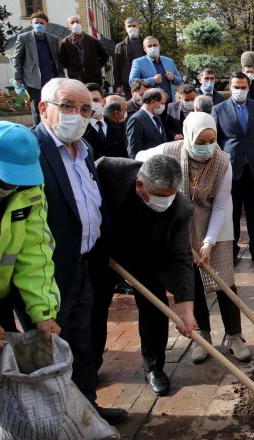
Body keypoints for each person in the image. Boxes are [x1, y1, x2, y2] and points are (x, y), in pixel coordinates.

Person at [30, 78, 127, 424]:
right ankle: (59, 420)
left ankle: (87, 411)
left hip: (90, 264)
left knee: (86, 343)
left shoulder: (84, 150)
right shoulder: (32, 151)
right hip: (50, 272)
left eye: (86, 109)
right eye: (68, 107)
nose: (78, 115)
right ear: (44, 109)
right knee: (56, 348)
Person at [135, 113, 250, 364]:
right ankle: (203, 336)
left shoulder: (223, 162)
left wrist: (208, 242)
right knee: (191, 280)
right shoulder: (168, 150)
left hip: (213, 222)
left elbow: (220, 206)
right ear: (188, 136)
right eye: (201, 140)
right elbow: (139, 159)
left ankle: (235, 336)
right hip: (178, 223)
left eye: (212, 140)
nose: (207, 146)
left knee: (224, 278)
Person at [0, 122, 62, 438]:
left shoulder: (28, 188)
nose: (9, 185)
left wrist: (43, 311)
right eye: (0, 174)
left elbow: (35, 252)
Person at [96, 154, 197, 396]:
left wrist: (186, 306)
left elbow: (182, 256)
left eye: (171, 195)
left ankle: (154, 368)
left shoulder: (180, 208)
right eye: (161, 196)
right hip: (102, 250)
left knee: (155, 309)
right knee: (94, 309)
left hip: (146, 255)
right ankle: (89, 365)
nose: (167, 201)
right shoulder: (108, 171)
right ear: (140, 185)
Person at [213, 72, 254, 267]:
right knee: (231, 213)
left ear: (248, 88)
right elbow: (215, 141)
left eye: (243, 87)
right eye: (236, 87)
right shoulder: (219, 109)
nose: (239, 90)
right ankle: (232, 250)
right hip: (230, 169)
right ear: (230, 87)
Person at [12, 11, 62, 125]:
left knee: (53, 105)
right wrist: (18, 76)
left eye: (42, 23)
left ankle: (52, 127)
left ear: (46, 24)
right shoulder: (24, 37)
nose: (39, 25)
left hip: (52, 78)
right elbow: (17, 58)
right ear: (31, 23)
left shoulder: (53, 39)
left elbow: (58, 59)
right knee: (37, 107)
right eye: (36, 22)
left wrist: (61, 77)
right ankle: (38, 130)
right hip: (33, 80)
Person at [129, 37, 184, 104]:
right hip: (152, 103)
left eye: (155, 45)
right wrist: (152, 80)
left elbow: (180, 80)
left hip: (170, 103)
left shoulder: (169, 61)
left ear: (159, 46)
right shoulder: (138, 62)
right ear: (144, 49)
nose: (153, 48)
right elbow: (132, 82)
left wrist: (173, 78)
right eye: (149, 46)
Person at [59, 15, 109, 84]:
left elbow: (104, 57)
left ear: (81, 25)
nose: (75, 24)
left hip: (94, 79)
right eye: (72, 22)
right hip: (76, 80)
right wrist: (72, 69)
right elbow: (63, 60)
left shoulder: (93, 40)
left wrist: (96, 67)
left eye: (77, 22)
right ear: (68, 27)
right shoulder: (65, 42)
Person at [127, 88, 167, 157]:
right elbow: (134, 150)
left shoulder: (157, 118)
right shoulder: (136, 119)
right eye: (162, 103)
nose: (163, 106)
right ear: (153, 102)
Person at [112, 18, 145, 98]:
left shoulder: (146, 43)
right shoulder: (120, 47)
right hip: (129, 86)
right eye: (129, 26)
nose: (132, 28)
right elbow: (117, 67)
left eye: (134, 26)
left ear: (138, 27)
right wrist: (118, 85)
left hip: (146, 83)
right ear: (125, 28)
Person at [81, 82, 108, 159]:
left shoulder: (114, 125)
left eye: (96, 100)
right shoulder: (80, 128)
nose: (92, 104)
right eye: (88, 101)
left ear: (104, 102)